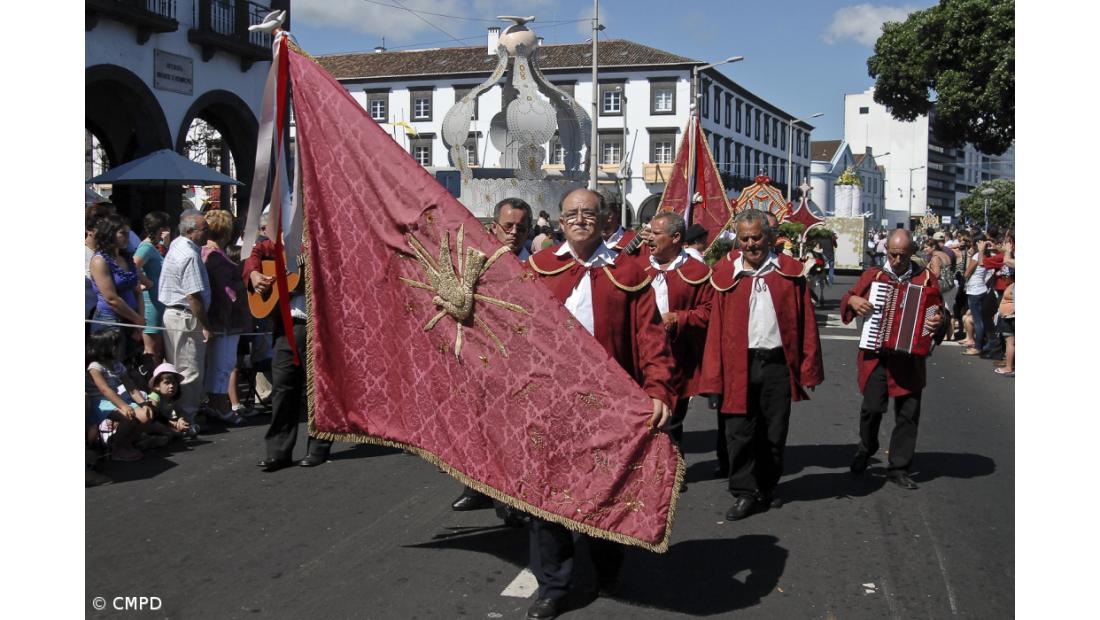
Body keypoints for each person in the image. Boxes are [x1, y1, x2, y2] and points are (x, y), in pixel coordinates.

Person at [524, 188, 674, 620]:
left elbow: (651, 336)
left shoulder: (628, 271)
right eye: (572, 213)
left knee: (607, 489)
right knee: (546, 494)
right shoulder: (537, 268)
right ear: (560, 220)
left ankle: (608, 566)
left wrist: (658, 389)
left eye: (588, 212)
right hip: (550, 402)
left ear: (604, 219)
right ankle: (553, 586)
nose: (580, 219)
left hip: (610, 405)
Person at [700, 209, 824, 520]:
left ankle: (767, 487)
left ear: (769, 238)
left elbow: (806, 324)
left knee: (774, 432)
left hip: (776, 364)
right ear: (738, 241)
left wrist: (809, 367)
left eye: (756, 237)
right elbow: (715, 332)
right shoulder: (725, 276)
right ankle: (744, 492)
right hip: (737, 365)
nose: (751, 244)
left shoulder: (789, 274)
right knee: (738, 433)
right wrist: (713, 380)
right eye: (745, 239)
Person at [841, 229, 944, 490]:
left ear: (912, 253)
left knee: (908, 414)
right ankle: (866, 448)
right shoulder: (873, 275)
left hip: (910, 360)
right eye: (892, 255)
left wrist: (938, 321)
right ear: (886, 251)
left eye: (903, 256)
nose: (897, 260)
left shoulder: (925, 279)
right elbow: (848, 298)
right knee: (872, 408)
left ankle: (899, 467)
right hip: (877, 355)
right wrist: (853, 300)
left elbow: (940, 313)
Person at [452, 198, 534, 512]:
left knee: (515, 432)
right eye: (508, 226)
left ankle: (514, 497)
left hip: (522, 362)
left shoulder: (538, 267)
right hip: (482, 358)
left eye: (521, 228)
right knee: (478, 425)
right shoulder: (476, 264)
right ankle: (476, 486)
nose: (513, 233)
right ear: (493, 227)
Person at [244, 232, 333, 471]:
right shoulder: (287, 239)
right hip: (287, 324)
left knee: (317, 388)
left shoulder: (326, 234)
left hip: (319, 322)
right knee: (283, 386)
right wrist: (254, 274)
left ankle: (318, 446)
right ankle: (278, 452)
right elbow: (256, 251)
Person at [643, 212, 714, 466]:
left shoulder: (698, 272)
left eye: (656, 233)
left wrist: (678, 318)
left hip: (678, 359)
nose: (649, 238)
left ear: (675, 238)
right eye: (650, 232)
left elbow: (709, 312)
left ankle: (673, 472)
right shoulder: (636, 267)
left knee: (671, 421)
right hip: (641, 359)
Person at [159, 209, 213, 433]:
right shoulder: (189, 254)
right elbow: (193, 295)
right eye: (204, 229)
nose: (208, 233)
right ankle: (187, 418)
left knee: (179, 367)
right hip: (185, 316)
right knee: (190, 370)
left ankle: (180, 416)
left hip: (175, 315)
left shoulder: (177, 245)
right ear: (191, 231)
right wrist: (206, 325)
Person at [202, 210, 252, 426]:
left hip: (218, 318)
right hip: (225, 320)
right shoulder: (217, 258)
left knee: (218, 365)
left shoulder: (206, 252)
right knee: (223, 365)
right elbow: (225, 293)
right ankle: (220, 406)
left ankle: (216, 404)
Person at [86, 329, 156, 462]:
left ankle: (125, 443)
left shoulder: (117, 365)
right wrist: (124, 406)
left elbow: (131, 388)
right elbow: (105, 390)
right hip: (101, 402)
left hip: (116, 399)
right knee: (127, 417)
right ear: (104, 348)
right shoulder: (95, 367)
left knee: (145, 416)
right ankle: (117, 449)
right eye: (116, 346)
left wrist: (144, 404)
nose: (119, 349)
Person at [88, 213, 145, 353]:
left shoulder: (127, 258)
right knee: (112, 362)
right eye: (122, 233)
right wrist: (137, 320)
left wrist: (140, 320)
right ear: (110, 233)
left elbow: (137, 291)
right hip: (109, 321)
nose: (127, 237)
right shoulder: (99, 261)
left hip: (132, 320)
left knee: (129, 362)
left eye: (128, 233)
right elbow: (111, 299)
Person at [133, 211, 171, 364]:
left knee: (158, 349)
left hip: (158, 301)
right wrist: (147, 282)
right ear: (161, 229)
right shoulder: (146, 247)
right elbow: (134, 266)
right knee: (151, 349)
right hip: (151, 303)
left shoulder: (154, 247)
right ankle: (150, 377)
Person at [962, 236, 994, 356]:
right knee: (982, 319)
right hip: (983, 288)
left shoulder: (977, 256)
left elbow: (967, 273)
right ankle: (983, 343)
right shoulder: (989, 255)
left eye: (972, 244)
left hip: (974, 289)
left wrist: (970, 257)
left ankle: (978, 347)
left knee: (977, 320)